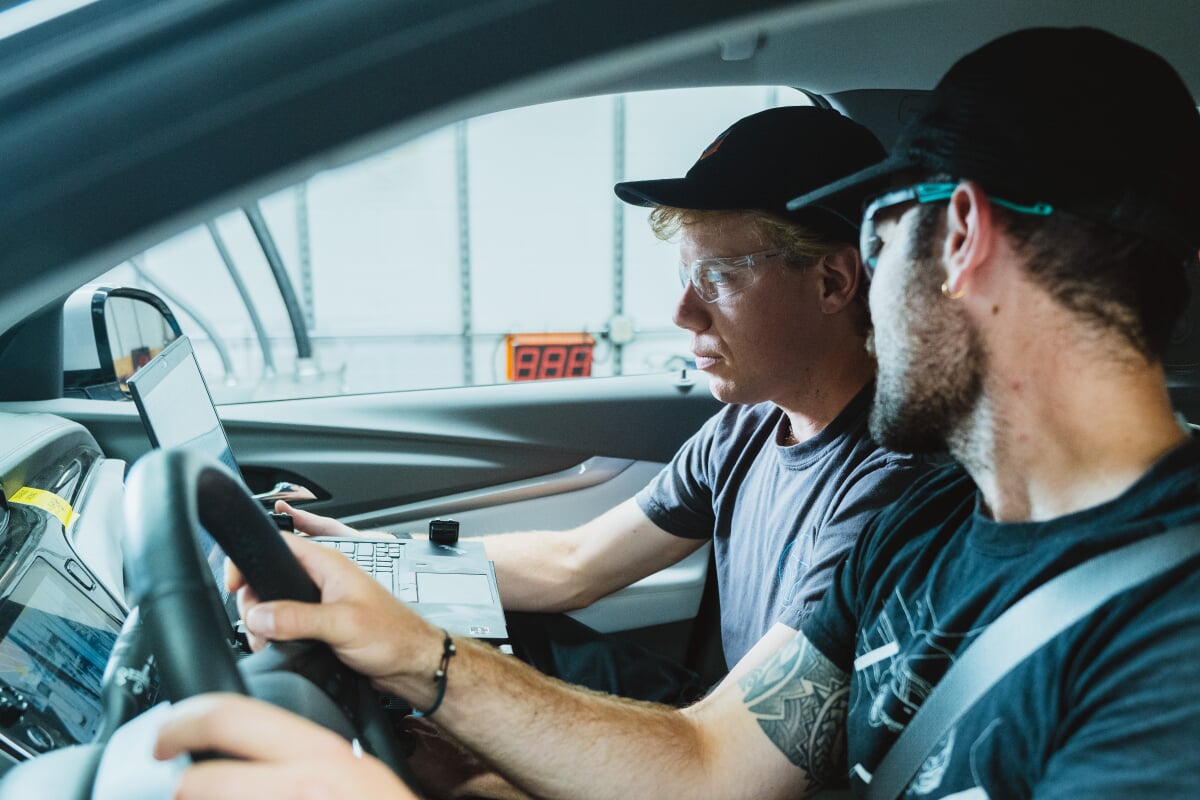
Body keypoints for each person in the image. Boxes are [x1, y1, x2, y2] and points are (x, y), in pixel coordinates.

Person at [156, 26, 1200, 800]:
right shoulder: (920, 536)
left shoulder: (1171, 646)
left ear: (960, 230)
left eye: (881, 238)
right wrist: (419, 657)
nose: (874, 288)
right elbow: (709, 764)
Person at [280, 105, 932, 704]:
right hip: (717, 722)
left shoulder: (888, 486)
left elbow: (748, 757)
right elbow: (576, 565)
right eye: (685, 275)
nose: (682, 312)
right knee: (498, 629)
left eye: (718, 277)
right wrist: (376, 561)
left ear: (833, 281)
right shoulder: (748, 427)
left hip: (743, 751)